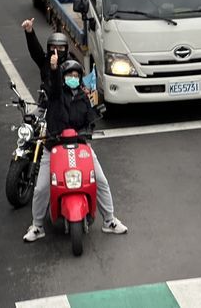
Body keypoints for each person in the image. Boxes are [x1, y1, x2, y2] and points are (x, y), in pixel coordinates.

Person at [23, 51, 128, 241]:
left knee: (101, 181)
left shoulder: (83, 97)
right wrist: (54, 68)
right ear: (63, 78)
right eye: (69, 75)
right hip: (53, 147)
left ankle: (109, 220)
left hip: (80, 147)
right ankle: (37, 226)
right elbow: (53, 85)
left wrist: (88, 129)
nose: (73, 78)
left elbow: (90, 120)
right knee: (41, 188)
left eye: (76, 75)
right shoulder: (55, 95)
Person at [21, 18, 79, 95]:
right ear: (49, 48)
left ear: (66, 49)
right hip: (47, 102)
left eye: (60, 48)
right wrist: (29, 32)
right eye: (53, 47)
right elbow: (35, 50)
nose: (56, 51)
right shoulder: (45, 61)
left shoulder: (71, 64)